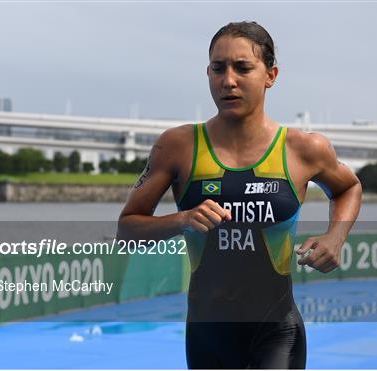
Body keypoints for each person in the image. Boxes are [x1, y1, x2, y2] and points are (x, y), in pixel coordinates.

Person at [117, 21, 362, 369]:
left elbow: (349, 186)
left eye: (243, 68)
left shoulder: (303, 148)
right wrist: (182, 219)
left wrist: (336, 236)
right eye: (218, 68)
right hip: (207, 337)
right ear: (208, 73)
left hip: (276, 332)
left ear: (271, 75)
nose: (228, 80)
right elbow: (127, 231)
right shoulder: (178, 146)